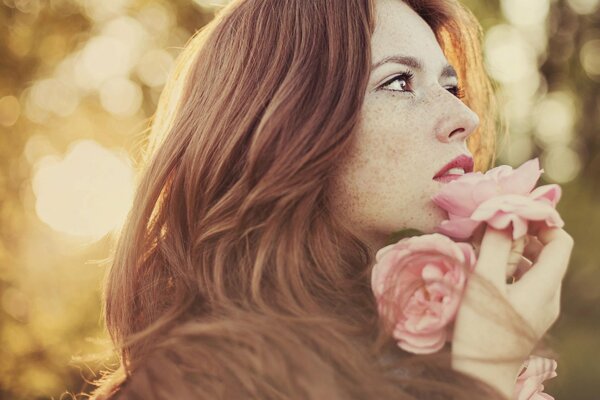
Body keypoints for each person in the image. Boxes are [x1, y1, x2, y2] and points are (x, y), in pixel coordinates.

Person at [89, 0, 574, 399]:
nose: (465, 117)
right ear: (283, 122)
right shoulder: (194, 384)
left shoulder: (403, 350)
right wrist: (483, 374)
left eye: (451, 86)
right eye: (400, 82)